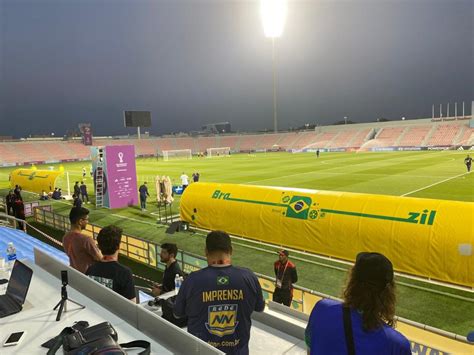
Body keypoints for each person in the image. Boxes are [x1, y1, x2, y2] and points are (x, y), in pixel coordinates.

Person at [174, 230, 265, 354]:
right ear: (231, 250)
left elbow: (177, 313)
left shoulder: (192, 280)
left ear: (206, 251)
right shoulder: (249, 277)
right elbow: (260, 308)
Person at [305, 252, 411, 355]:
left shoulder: (321, 309)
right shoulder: (398, 345)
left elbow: (310, 349)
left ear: (352, 281)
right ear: (389, 292)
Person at [86, 226, 136, 302]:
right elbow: (132, 305)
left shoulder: (90, 270)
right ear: (119, 246)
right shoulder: (124, 273)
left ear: (99, 246)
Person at [63, 207, 102, 273]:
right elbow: (100, 259)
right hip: (88, 277)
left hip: (74, 274)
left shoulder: (65, 237)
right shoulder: (86, 240)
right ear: (80, 221)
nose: (87, 222)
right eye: (86, 219)